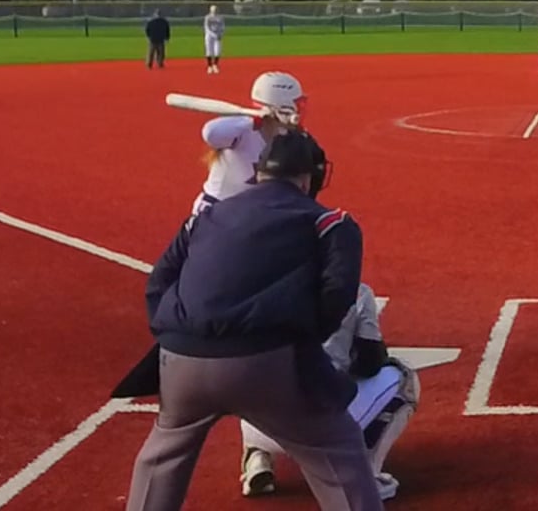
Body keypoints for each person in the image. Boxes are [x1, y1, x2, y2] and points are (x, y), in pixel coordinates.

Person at [120, 129, 384, 511]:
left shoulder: (206, 216)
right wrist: (300, 343)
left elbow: (159, 283)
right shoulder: (330, 222)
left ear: (258, 173)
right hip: (267, 362)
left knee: (161, 457)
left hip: (179, 362)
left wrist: (176, 337)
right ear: (309, 178)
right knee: (337, 448)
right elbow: (338, 295)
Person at [243, 284, 420, 501]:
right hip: (318, 425)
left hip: (259, 425)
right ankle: (365, 477)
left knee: (252, 368)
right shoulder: (357, 290)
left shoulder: (264, 282)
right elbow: (370, 362)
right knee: (403, 378)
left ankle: (256, 457)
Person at [192, 72, 305, 218]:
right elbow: (210, 133)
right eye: (297, 104)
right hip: (216, 211)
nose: (301, 110)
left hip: (249, 212)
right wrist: (252, 120)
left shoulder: (288, 137)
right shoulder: (243, 132)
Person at [203, 5, 227, 75]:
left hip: (218, 35)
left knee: (217, 51)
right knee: (209, 51)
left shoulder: (220, 17)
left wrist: (221, 34)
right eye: (213, 10)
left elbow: (223, 26)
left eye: (216, 10)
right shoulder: (207, 17)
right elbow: (206, 28)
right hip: (209, 36)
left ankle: (215, 65)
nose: (215, 11)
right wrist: (213, 35)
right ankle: (209, 66)